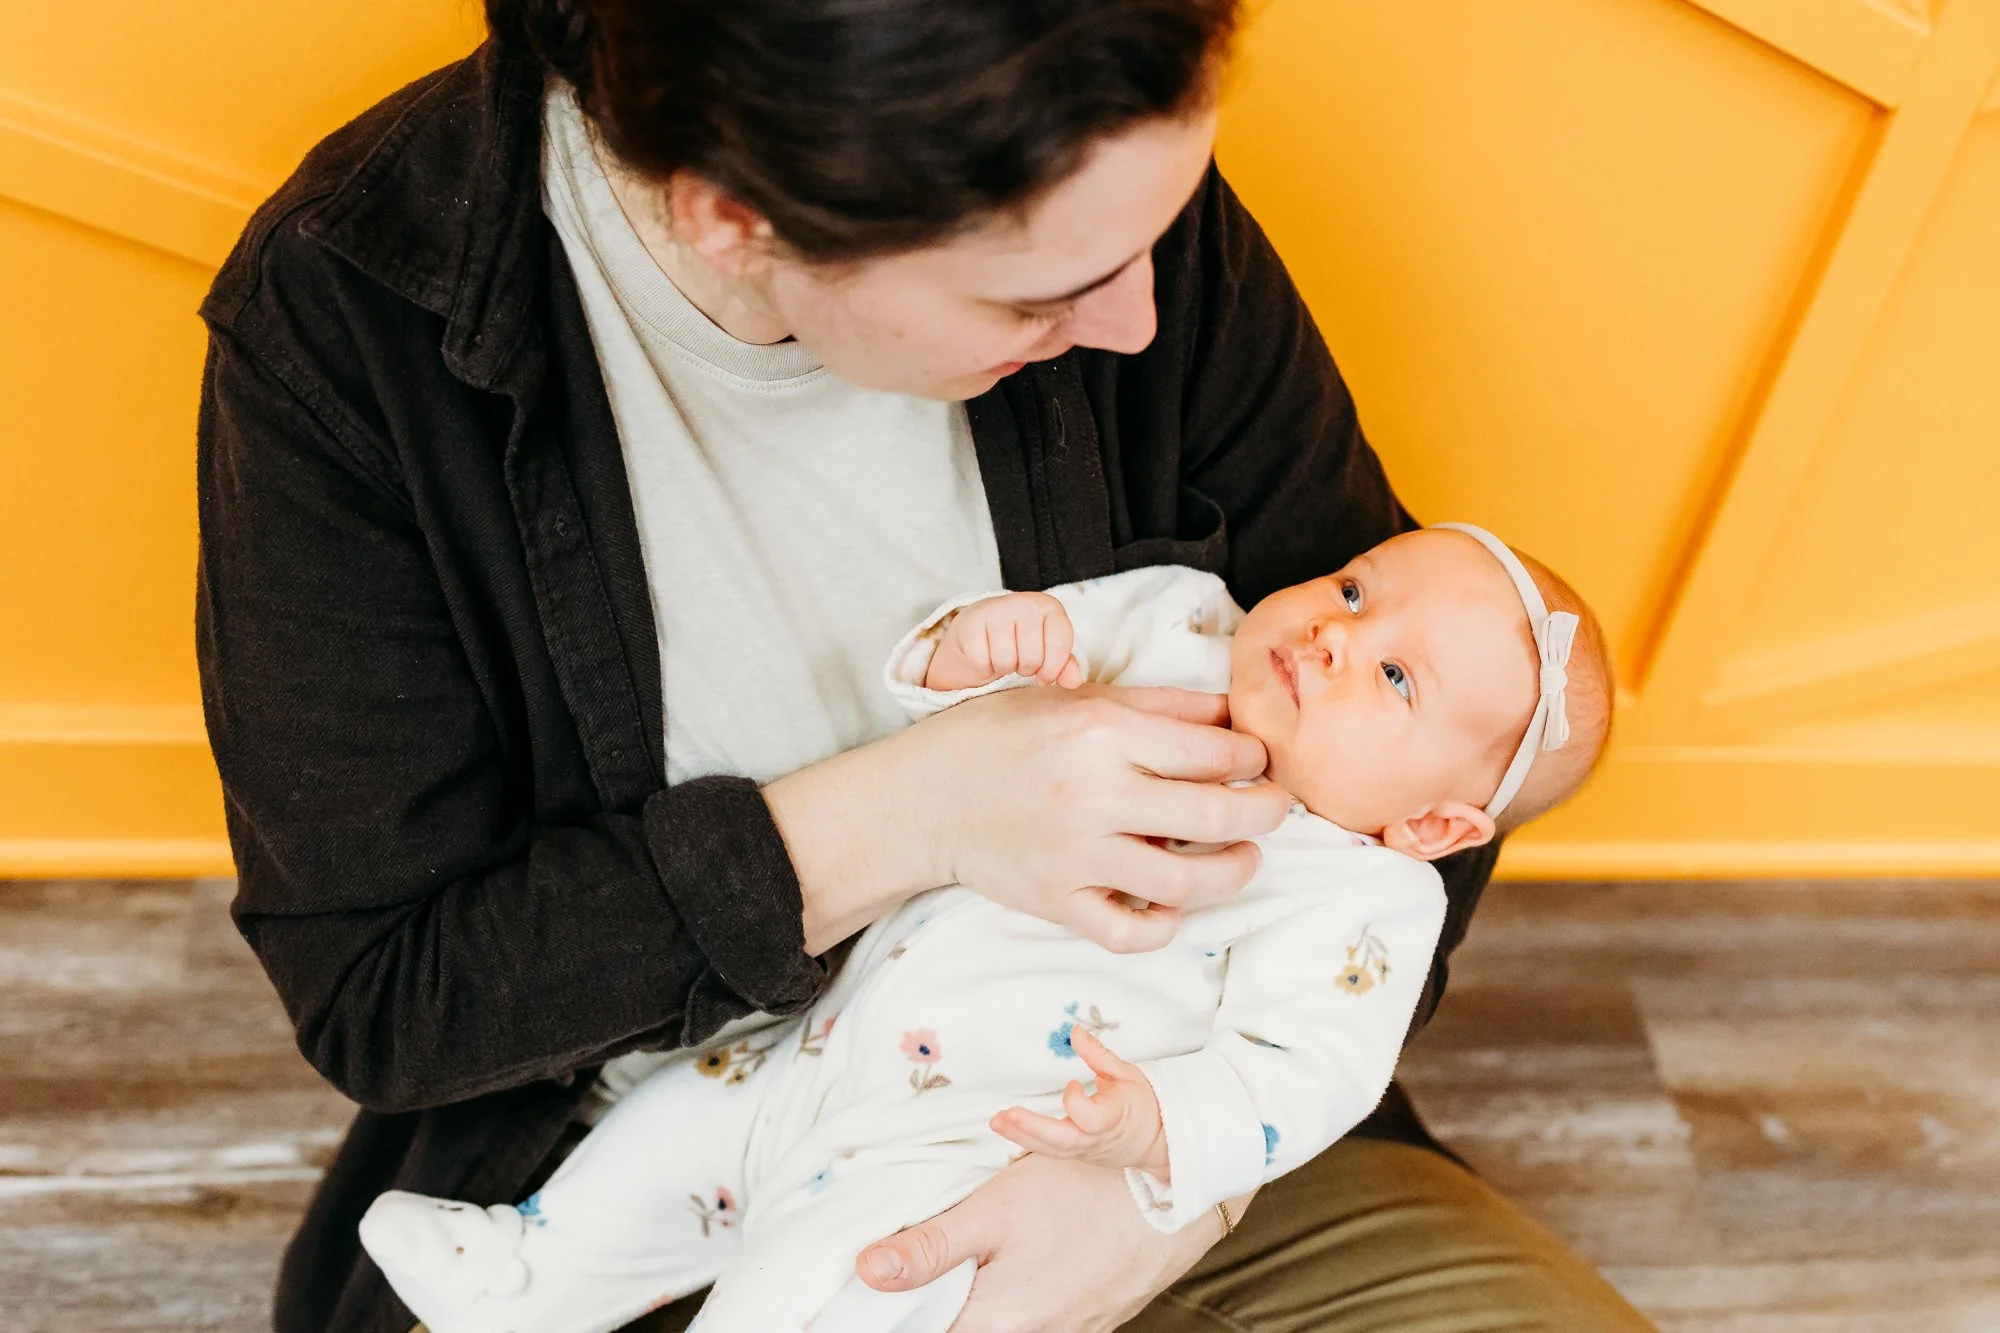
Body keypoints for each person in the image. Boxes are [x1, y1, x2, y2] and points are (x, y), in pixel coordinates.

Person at [192, 0, 1658, 1329]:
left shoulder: (1107, 187)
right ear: (733, 219)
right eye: (1037, 299)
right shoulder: (351, 327)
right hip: (662, 1157)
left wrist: (1159, 1193)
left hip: (1138, 1109)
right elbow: (393, 993)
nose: (1138, 324)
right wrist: (920, 811)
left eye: (1160, 232)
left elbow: (1452, 756)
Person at [356, 525, 1616, 1333]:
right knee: (664, 1147)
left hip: (970, 1140)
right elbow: (991, 657)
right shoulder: (1182, 620)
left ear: (1437, 826)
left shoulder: (1358, 897)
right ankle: (525, 1271)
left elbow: (1307, 1073)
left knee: (838, 1279)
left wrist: (1159, 1136)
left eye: (1394, 679)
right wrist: (990, 641)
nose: (1336, 635)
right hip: (814, 1035)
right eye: (1353, 588)